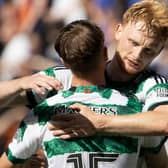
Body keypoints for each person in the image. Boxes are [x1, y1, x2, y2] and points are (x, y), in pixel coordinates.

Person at [0, 19, 158, 168]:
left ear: (64, 62)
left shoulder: (42, 113)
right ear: (104, 53)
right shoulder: (136, 111)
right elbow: (160, 164)